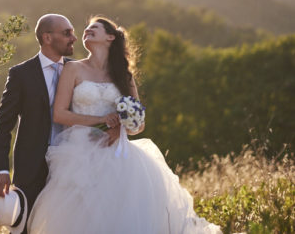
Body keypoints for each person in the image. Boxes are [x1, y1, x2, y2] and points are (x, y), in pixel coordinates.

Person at [27, 16, 222, 234]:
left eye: (94, 28)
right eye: (86, 29)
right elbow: (60, 114)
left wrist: (121, 127)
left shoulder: (124, 77)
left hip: (117, 155)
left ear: (110, 37)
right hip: (79, 154)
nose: (86, 31)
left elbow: (138, 125)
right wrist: (100, 121)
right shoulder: (73, 69)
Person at [0, 14, 94, 233]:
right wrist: (1, 169)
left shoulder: (77, 71)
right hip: (31, 167)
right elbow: (3, 125)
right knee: (27, 227)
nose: (74, 38)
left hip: (71, 164)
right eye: (67, 33)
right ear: (47, 37)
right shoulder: (21, 74)